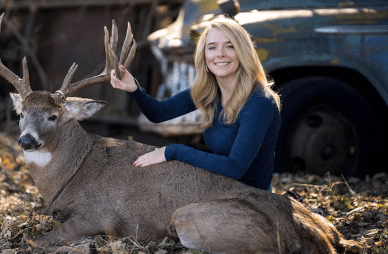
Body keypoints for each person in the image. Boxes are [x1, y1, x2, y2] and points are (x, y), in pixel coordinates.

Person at [110, 18, 281, 192]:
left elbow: (234, 168)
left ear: (243, 52)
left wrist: (173, 150)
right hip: (222, 186)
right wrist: (134, 89)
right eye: (212, 47)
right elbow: (159, 113)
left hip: (253, 198)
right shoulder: (210, 90)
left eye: (230, 46)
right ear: (205, 56)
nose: (220, 54)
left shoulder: (259, 102)